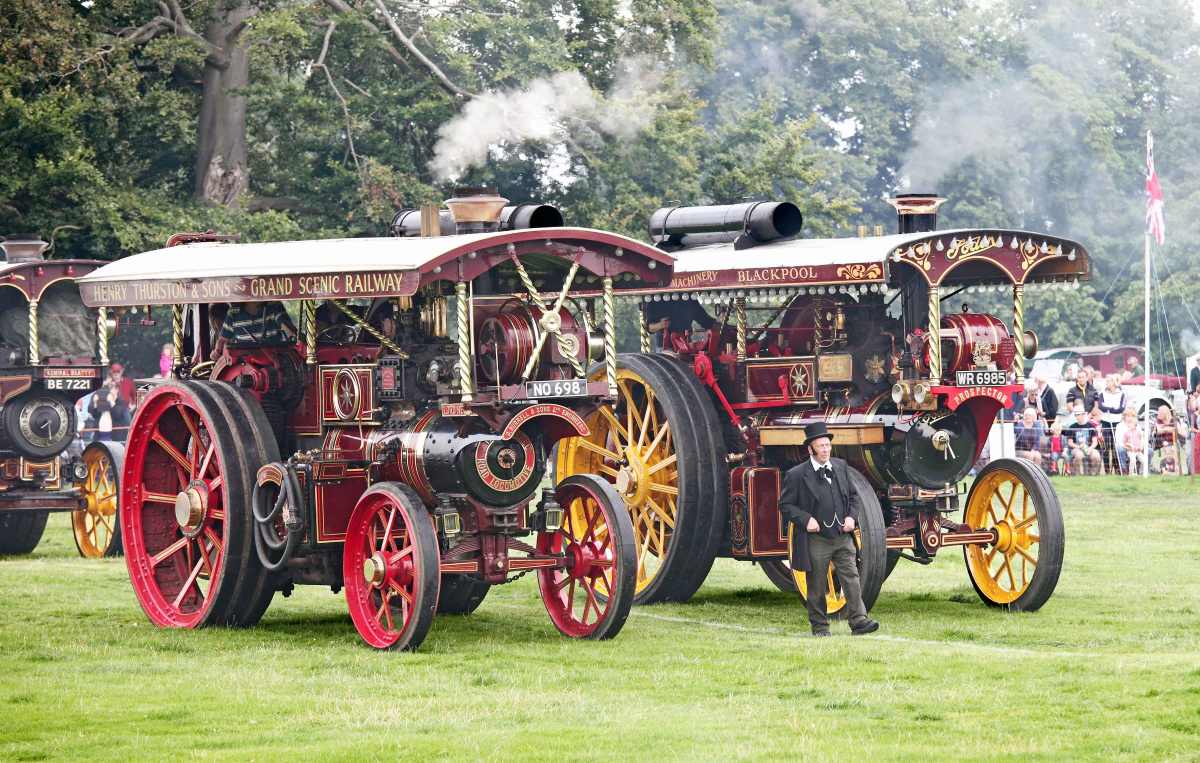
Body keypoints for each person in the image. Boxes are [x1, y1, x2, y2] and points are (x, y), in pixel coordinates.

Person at [778, 422, 879, 638]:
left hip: (842, 536)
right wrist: (806, 520)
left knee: (851, 576)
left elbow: (853, 497)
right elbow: (785, 506)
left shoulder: (840, 467)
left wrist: (852, 517)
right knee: (816, 584)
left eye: (827, 445)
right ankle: (820, 626)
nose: (825, 450)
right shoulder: (796, 475)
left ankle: (859, 621)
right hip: (816, 539)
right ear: (810, 449)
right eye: (821, 446)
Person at [212, 300, 297, 356]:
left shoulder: (274, 307)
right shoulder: (233, 312)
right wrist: (217, 352)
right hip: (244, 366)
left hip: (273, 361)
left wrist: (295, 337)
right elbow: (223, 340)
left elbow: (288, 329)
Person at [643, 298, 715, 351]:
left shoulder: (689, 299)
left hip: (685, 344)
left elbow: (706, 321)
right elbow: (649, 328)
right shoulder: (656, 300)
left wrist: (718, 325)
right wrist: (661, 325)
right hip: (664, 346)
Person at [1065, 404, 1102, 475]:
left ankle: (1092, 474)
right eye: (1076, 415)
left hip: (1088, 448)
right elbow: (1070, 442)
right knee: (1079, 455)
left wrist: (1090, 448)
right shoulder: (1072, 427)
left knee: (1096, 456)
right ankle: (1078, 475)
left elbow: (1095, 442)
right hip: (1077, 448)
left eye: (1079, 414)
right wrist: (1078, 447)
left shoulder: (1090, 426)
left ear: (1083, 414)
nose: (1077, 416)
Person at [1114, 407, 1145, 476]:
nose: (1130, 418)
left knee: (1149, 451)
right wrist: (1128, 447)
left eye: (1132, 416)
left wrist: (1141, 446)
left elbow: (1142, 438)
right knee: (1120, 449)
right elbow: (1119, 441)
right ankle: (1124, 470)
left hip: (1137, 448)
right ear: (1124, 417)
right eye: (1128, 416)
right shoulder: (1120, 426)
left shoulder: (1137, 426)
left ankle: (1142, 471)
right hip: (1125, 447)